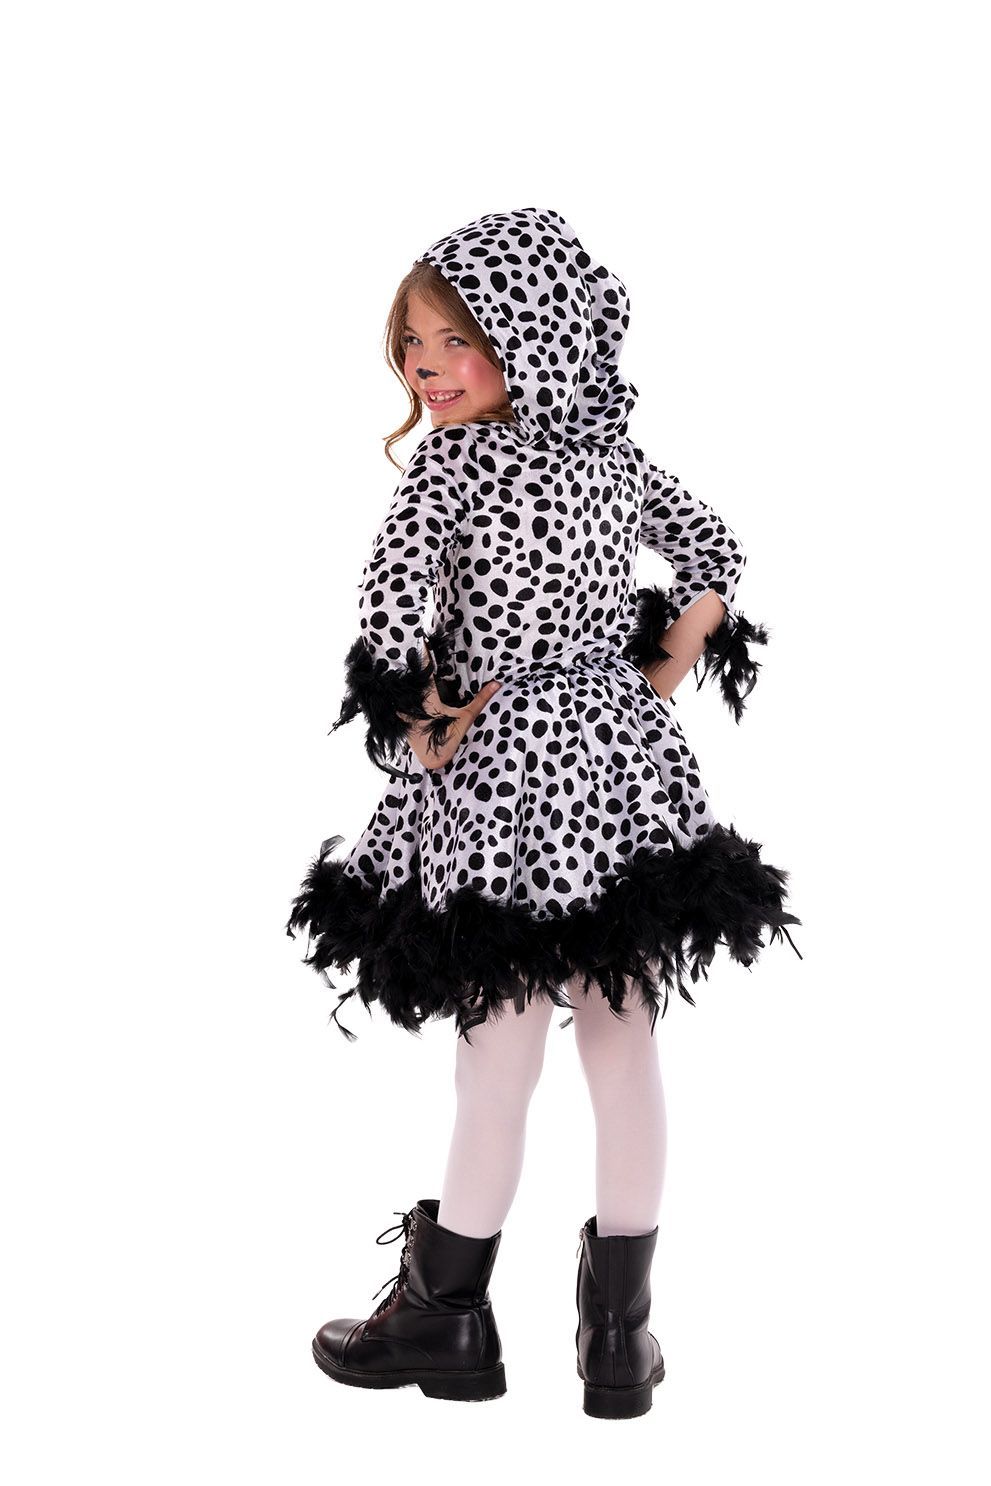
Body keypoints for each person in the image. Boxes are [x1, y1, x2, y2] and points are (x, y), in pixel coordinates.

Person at [286, 206, 802, 1417]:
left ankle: (447, 1313)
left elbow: (389, 613)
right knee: (622, 1032)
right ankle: (618, 1334)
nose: (424, 368)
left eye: (453, 341)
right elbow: (715, 552)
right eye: (411, 343)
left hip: (504, 782)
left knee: (500, 1047)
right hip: (618, 770)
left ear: (531, 339)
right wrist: (659, 669)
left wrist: (421, 725)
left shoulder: (452, 467)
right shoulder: (615, 461)